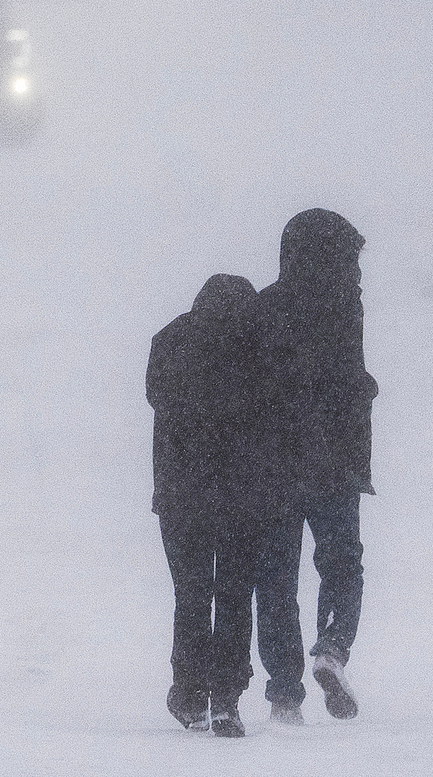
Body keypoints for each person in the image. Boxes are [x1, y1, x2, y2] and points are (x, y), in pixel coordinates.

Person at [250, 208, 377, 725]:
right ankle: (332, 646)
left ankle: (284, 691)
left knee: (276, 577)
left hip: (276, 465)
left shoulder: (266, 308)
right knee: (342, 564)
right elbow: (346, 385)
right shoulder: (345, 309)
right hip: (335, 465)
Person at [147, 272, 262, 738]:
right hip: (242, 496)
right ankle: (227, 698)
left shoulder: (172, 339)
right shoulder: (257, 348)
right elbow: (272, 411)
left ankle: (190, 692)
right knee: (235, 596)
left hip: (181, 496)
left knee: (191, 595)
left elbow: (158, 397)